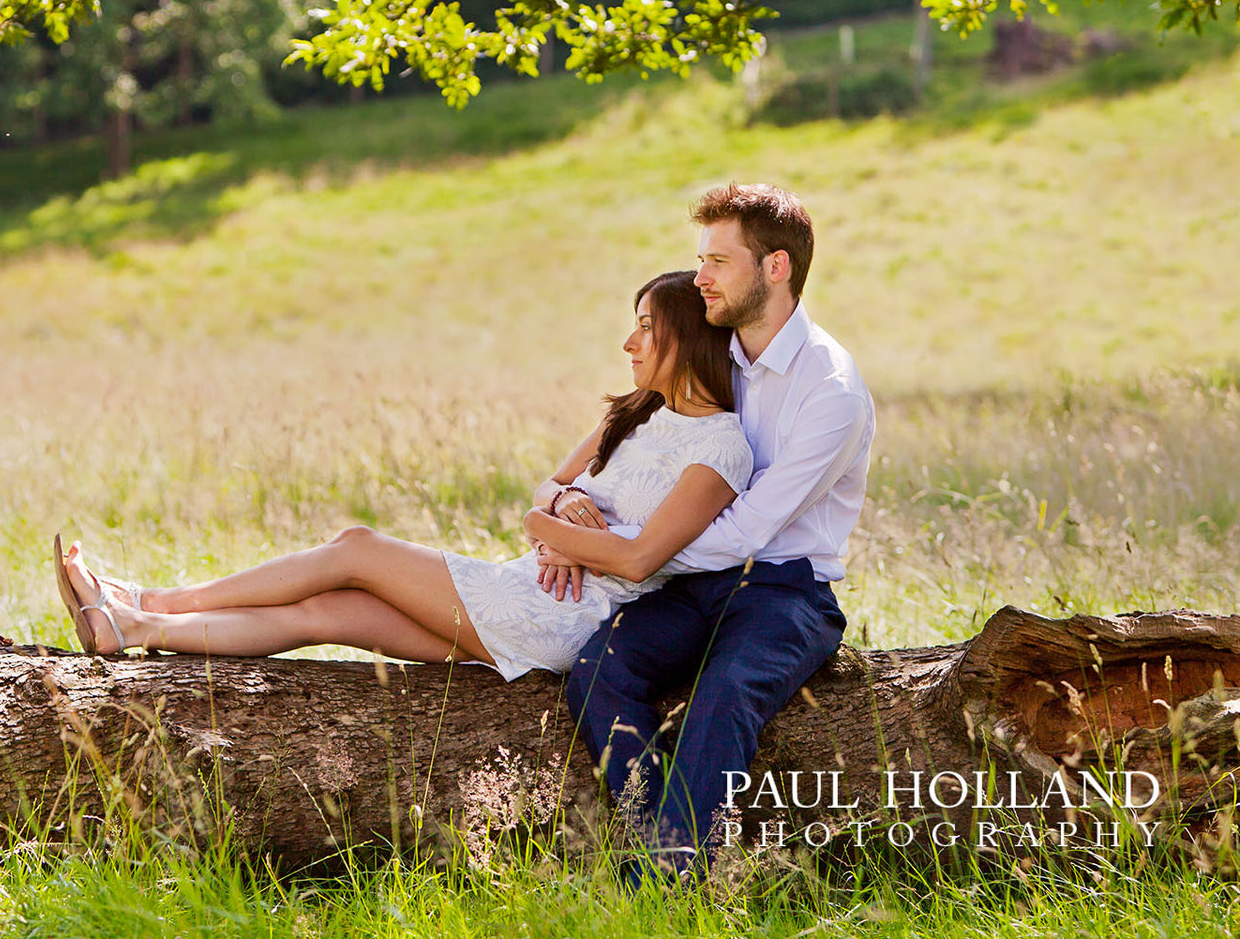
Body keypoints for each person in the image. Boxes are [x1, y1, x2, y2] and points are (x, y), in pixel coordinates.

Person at [53, 270, 755, 682]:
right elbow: (546, 490)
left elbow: (638, 557)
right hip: (524, 583)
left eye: (644, 327)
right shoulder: (632, 412)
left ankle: (156, 598)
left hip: (566, 618)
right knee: (327, 614)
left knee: (357, 547)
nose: (629, 342)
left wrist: (550, 531)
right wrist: (564, 503)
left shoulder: (722, 448)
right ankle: (134, 623)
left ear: (687, 337)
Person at [559, 183, 874, 881]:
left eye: (719, 261)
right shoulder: (712, 355)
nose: (699, 276)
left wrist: (629, 552)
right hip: (693, 578)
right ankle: (658, 846)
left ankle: (664, 887)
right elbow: (623, 444)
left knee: (725, 692)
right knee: (598, 667)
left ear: (776, 268)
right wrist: (575, 507)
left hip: (788, 590)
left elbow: (751, 530)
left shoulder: (832, 388)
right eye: (700, 258)